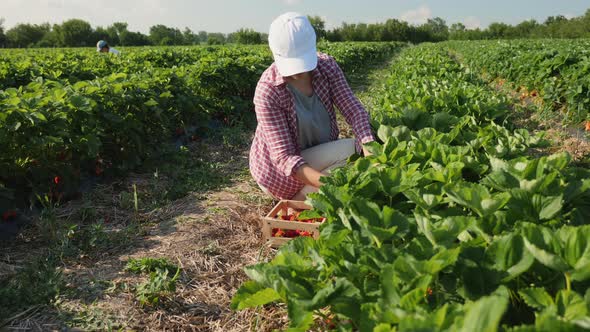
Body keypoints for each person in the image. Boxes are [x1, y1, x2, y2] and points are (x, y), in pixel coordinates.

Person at [249, 12, 375, 201]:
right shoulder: (268, 90)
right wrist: (335, 187)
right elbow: (284, 158)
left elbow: (354, 110)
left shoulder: (327, 68)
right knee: (348, 160)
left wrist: (371, 152)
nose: (298, 73)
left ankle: (311, 193)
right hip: (277, 174)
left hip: (312, 154)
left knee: (357, 151)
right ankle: (298, 200)